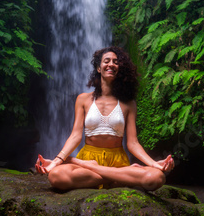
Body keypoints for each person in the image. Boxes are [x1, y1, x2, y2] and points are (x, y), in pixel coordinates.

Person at [35, 46, 174, 191]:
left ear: (119, 69)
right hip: (88, 158)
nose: (111, 64)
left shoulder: (128, 103)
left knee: (156, 177)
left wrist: (153, 164)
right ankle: (119, 178)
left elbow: (132, 143)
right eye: (106, 61)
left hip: (117, 161)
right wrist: (57, 161)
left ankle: (91, 168)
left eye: (116, 62)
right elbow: (75, 136)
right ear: (99, 68)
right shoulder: (83, 99)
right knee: (56, 176)